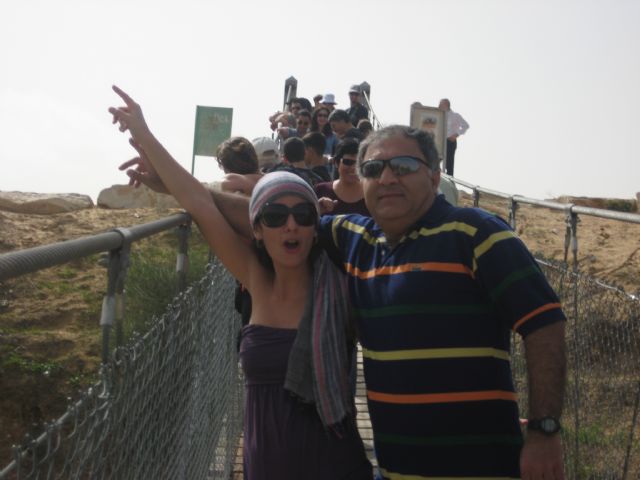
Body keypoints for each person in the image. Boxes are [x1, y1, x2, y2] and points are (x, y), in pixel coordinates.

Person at [195, 125, 567, 479]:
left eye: (403, 166)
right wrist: (189, 190)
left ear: (434, 177)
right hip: (395, 470)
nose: (387, 178)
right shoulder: (355, 240)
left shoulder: (477, 233)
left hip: (483, 468)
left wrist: (544, 430)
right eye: (373, 169)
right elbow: (271, 219)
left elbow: (544, 325)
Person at [109, 86, 372, 480]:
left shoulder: (340, 285)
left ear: (315, 228)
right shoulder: (254, 278)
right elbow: (198, 202)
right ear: (257, 230)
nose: (290, 225)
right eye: (275, 217)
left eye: (303, 215)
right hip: (265, 464)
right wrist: (144, 134)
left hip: (332, 464)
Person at [314, 138, 369, 216]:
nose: (353, 167)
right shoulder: (321, 190)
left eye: (358, 163)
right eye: (348, 162)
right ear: (336, 163)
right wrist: (317, 210)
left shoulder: (370, 194)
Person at [438, 98, 469, 176]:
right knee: (435, 160)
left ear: (446, 105)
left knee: (449, 165)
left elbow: (465, 125)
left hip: (450, 141)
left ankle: (450, 181)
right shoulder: (439, 115)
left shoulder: (455, 116)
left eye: (441, 104)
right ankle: (438, 176)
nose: (439, 106)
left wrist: (456, 135)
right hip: (440, 141)